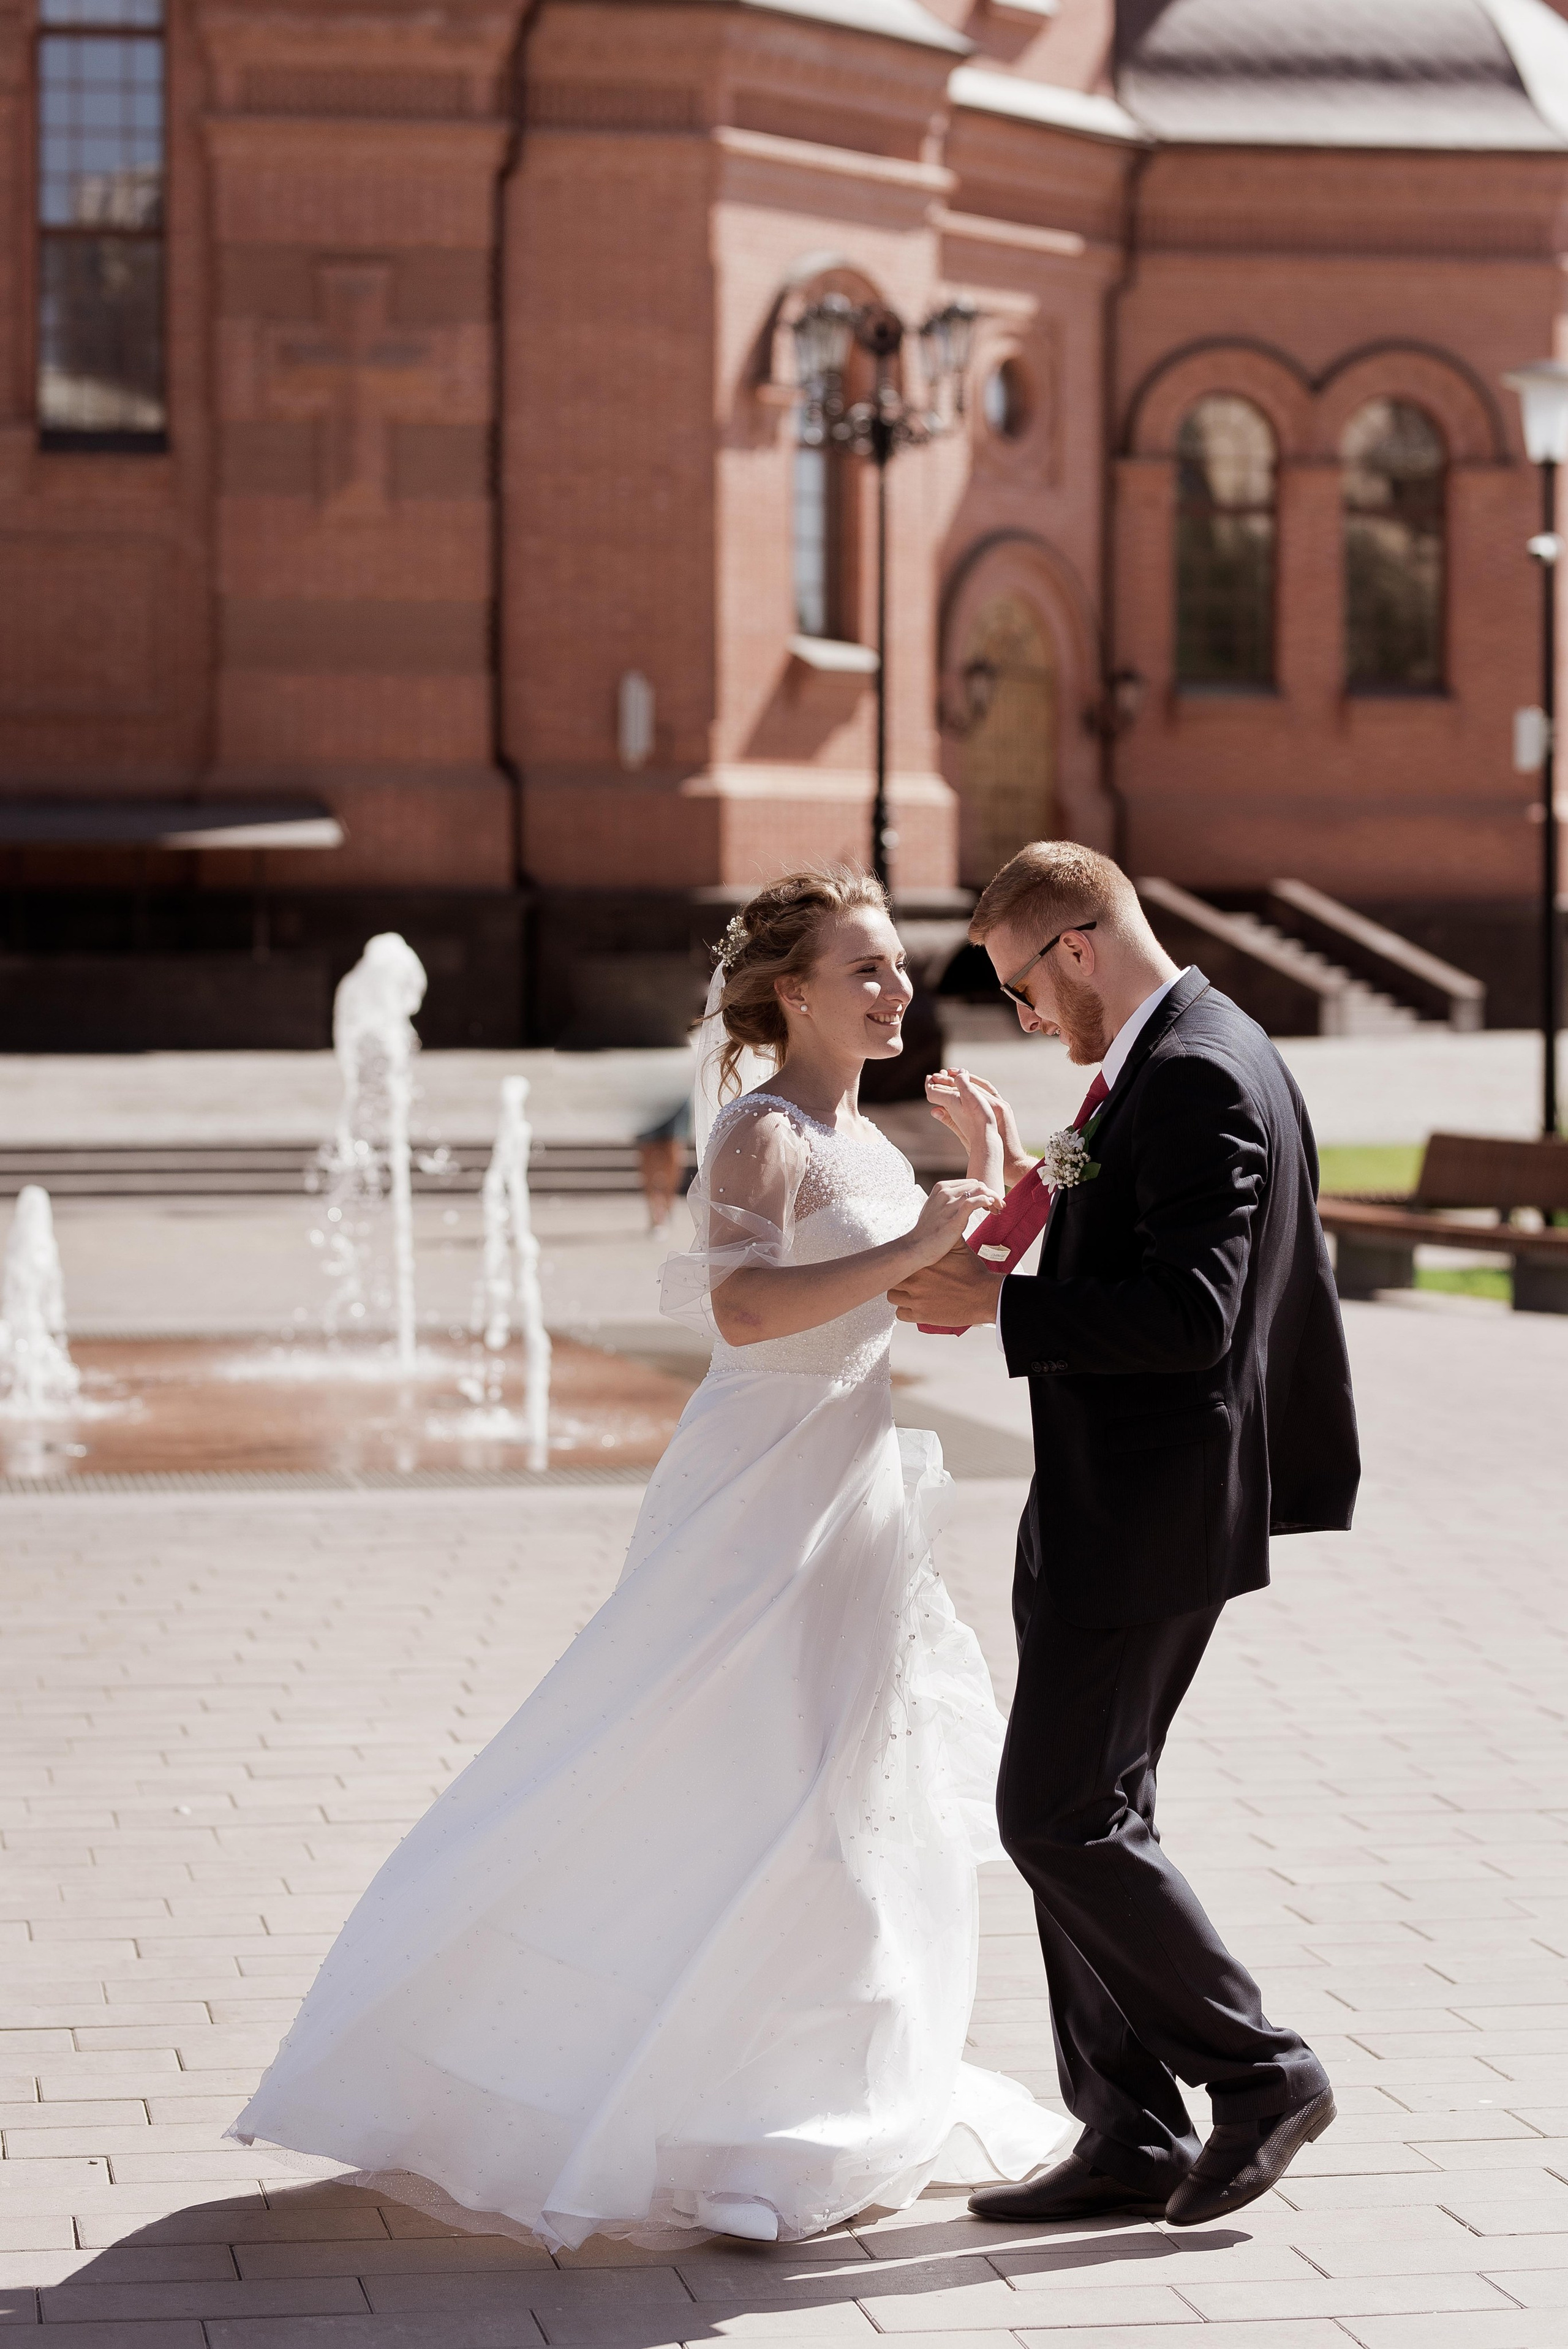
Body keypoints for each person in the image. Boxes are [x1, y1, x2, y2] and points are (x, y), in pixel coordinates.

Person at [228, 865, 1068, 2250]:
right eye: (863, 967)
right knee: (738, 1767)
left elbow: (934, 1300)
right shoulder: (759, 1134)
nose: (894, 989)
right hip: (756, 1487)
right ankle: (699, 2108)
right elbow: (744, 1313)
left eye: (895, 965)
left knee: (847, 1783)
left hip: (853, 1486)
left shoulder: (868, 1136)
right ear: (792, 992)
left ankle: (815, 2102)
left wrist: (1006, 1167)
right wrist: (918, 1238)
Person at [890, 840, 1360, 2228]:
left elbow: (1193, 1315)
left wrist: (1001, 1311)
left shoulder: (1200, 1069)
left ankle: (1262, 2073)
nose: (1027, 1016)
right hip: (1108, 1493)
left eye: (1023, 986)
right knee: (1095, 1812)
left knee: (1053, 1814)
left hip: (1154, 1507)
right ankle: (1128, 2130)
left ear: (1078, 945)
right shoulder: (1175, 1052)